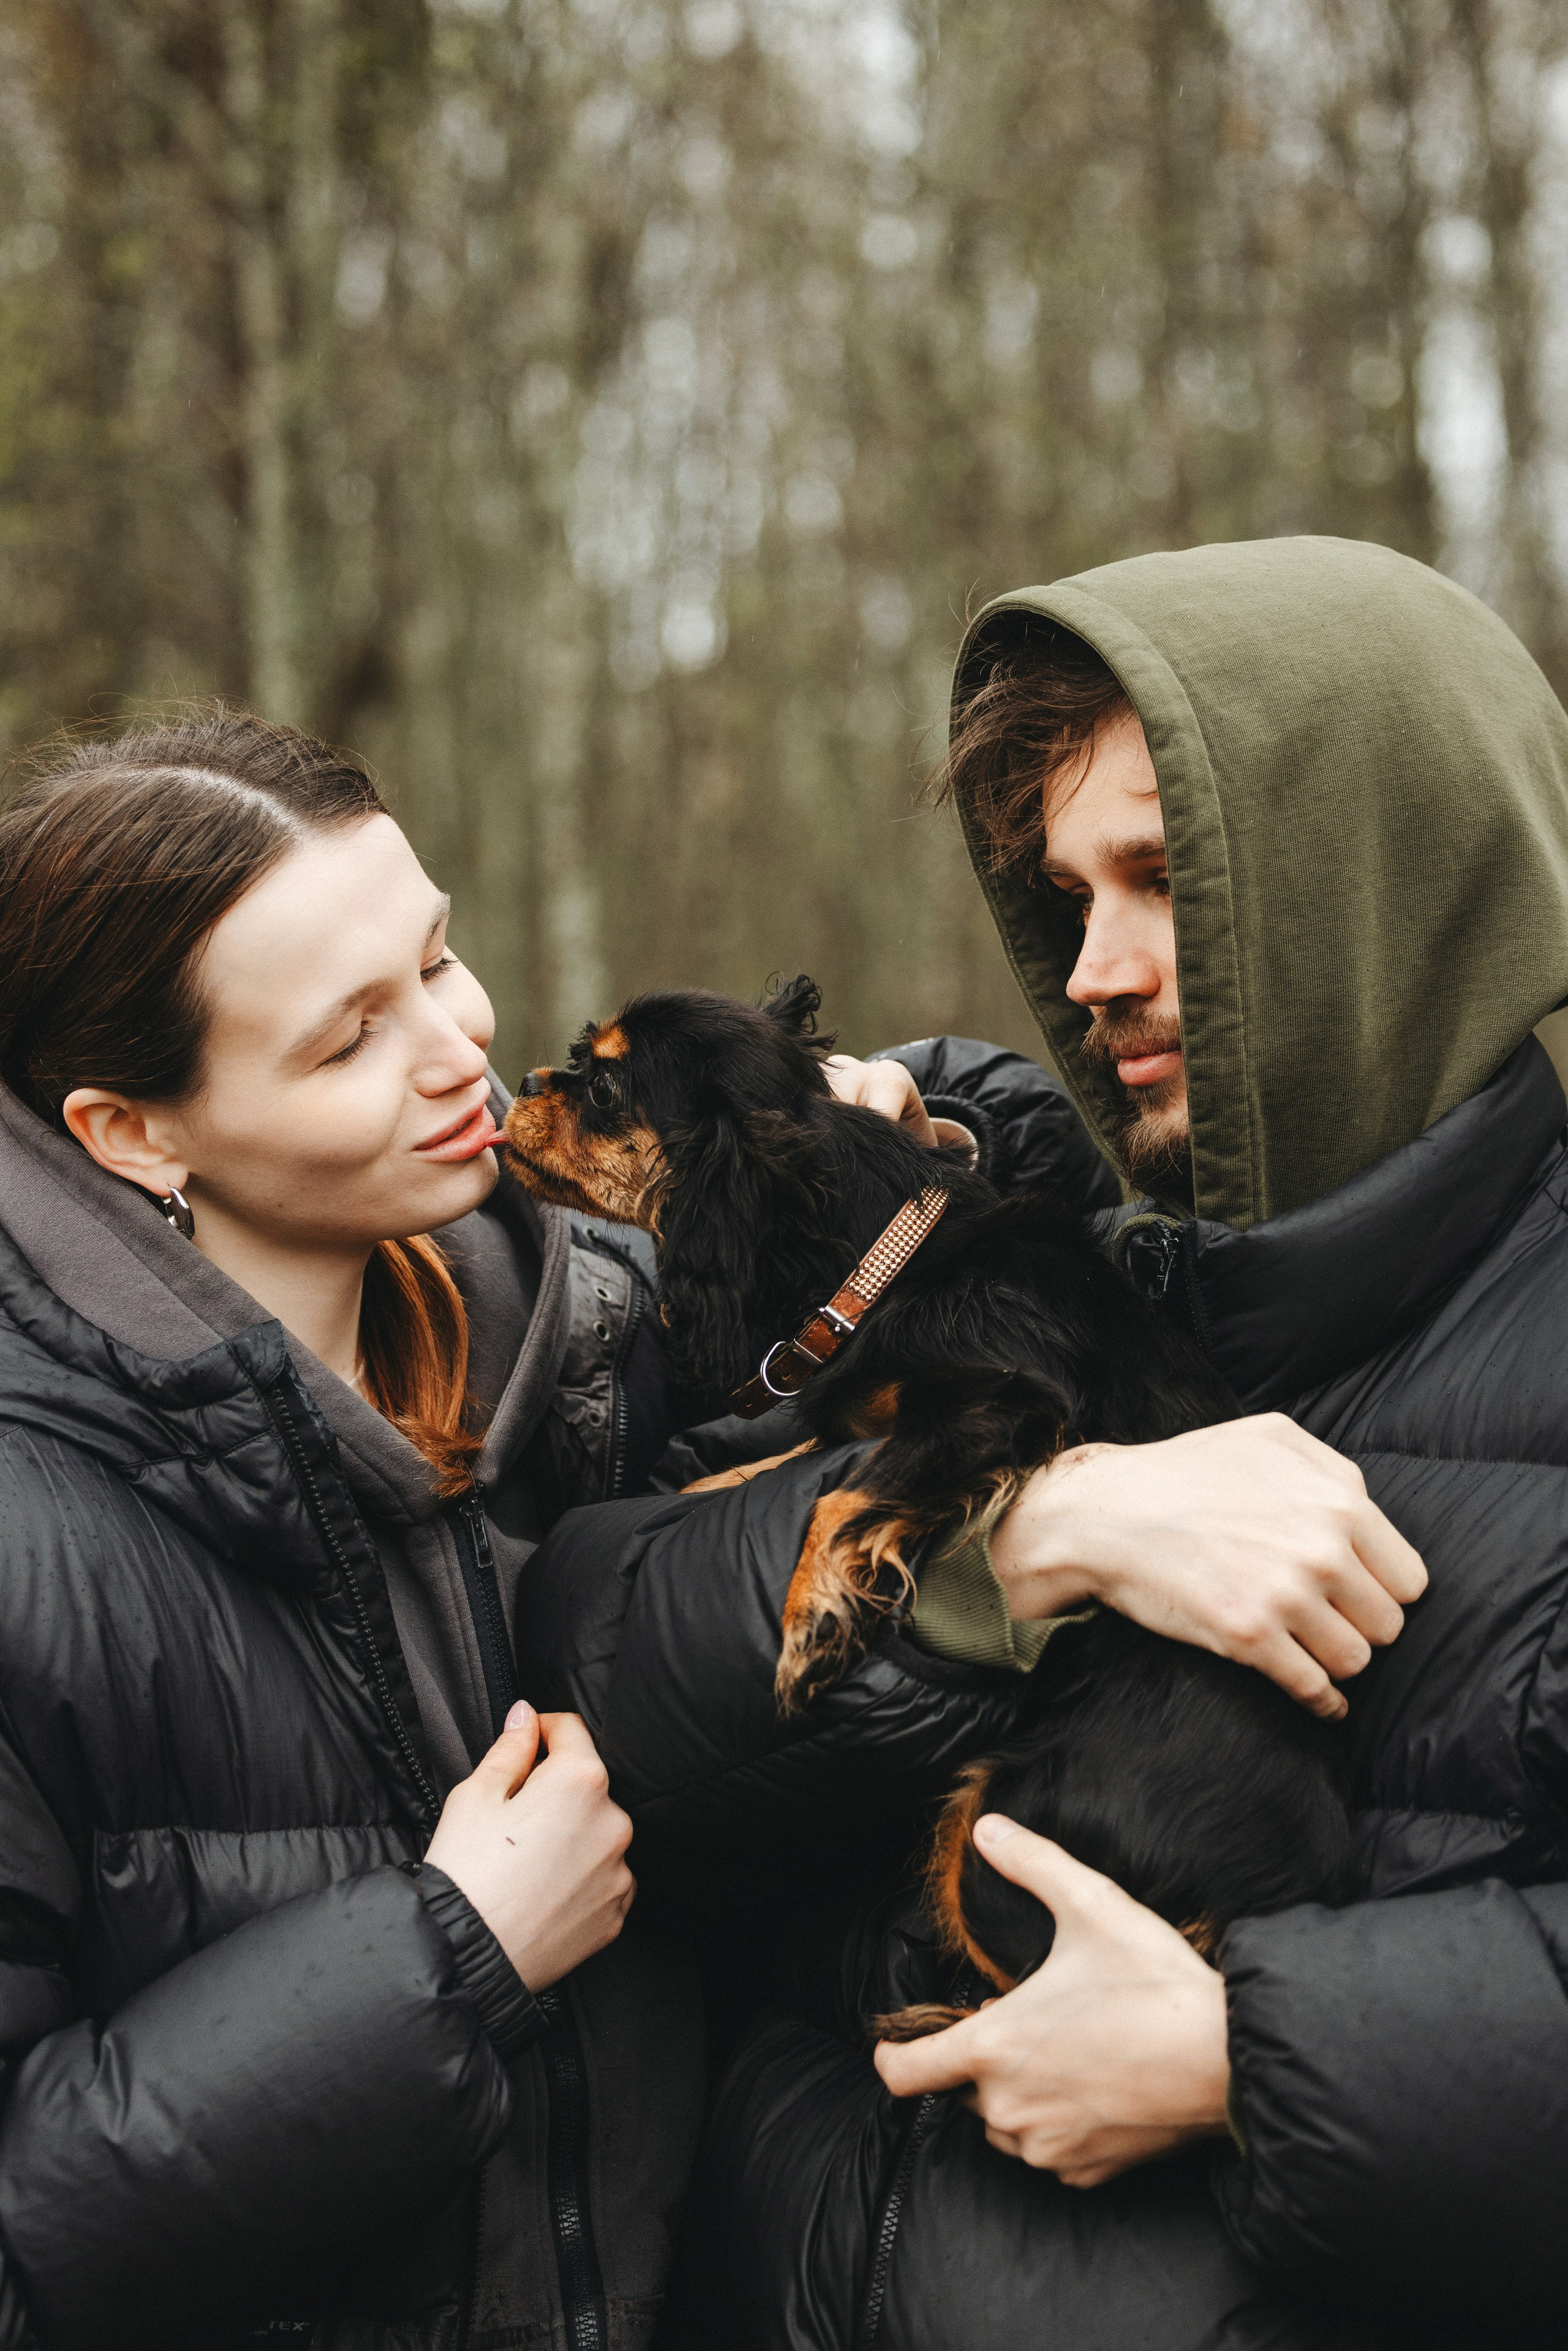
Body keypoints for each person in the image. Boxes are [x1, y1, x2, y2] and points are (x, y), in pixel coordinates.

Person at [560, 537, 1568, 2347]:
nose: (1093, 970)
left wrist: (1256, 2054)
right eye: (1064, 894)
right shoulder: (1049, 1263)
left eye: (1167, 882)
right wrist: (1018, 1536)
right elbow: (587, 1651)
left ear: (1378, 886)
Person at [0, 709, 699, 2351]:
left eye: (439, 955)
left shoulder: (592, 1337)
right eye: (346, 1041)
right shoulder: (33, 1542)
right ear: (133, 1134)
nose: (461, 1048)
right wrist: (449, 1957)